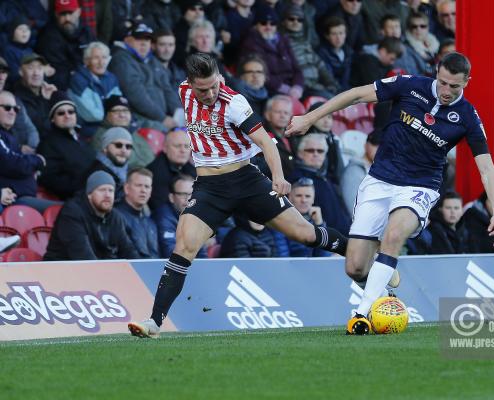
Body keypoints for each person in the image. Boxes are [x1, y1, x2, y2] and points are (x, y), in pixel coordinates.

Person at [128, 53, 348, 338]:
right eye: (202, 89)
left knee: (305, 234)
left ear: (220, 78)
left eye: (213, 86)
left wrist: (279, 177)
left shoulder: (235, 103)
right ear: (189, 84)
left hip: (247, 181)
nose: (208, 94)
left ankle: (363, 258)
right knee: (183, 246)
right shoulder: (184, 90)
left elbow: (267, 143)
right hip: (209, 188)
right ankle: (154, 322)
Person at [286, 52, 494, 334]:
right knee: (355, 268)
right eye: (443, 82)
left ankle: (361, 315)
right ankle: (384, 284)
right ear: (436, 73)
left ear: (467, 82)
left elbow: (487, 169)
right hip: (379, 181)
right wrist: (309, 118)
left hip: (419, 187)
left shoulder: (467, 117)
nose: (447, 91)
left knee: (394, 234)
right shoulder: (409, 85)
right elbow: (355, 95)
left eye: (455, 86)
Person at [44, 171, 140, 260]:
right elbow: (83, 257)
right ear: (89, 194)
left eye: (111, 191)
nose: (107, 195)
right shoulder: (72, 213)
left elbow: (129, 250)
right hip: (60, 272)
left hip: (93, 272)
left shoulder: (115, 217)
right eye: (102, 190)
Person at [153, 174, 208, 258]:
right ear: (171, 197)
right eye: (183, 194)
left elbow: (201, 253)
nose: (188, 199)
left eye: (191, 194)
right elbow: (170, 253)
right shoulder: (163, 217)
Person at [115, 168, 159, 259]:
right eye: (139, 185)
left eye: (147, 186)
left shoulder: (151, 222)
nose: (143, 190)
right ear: (126, 188)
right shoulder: (116, 217)